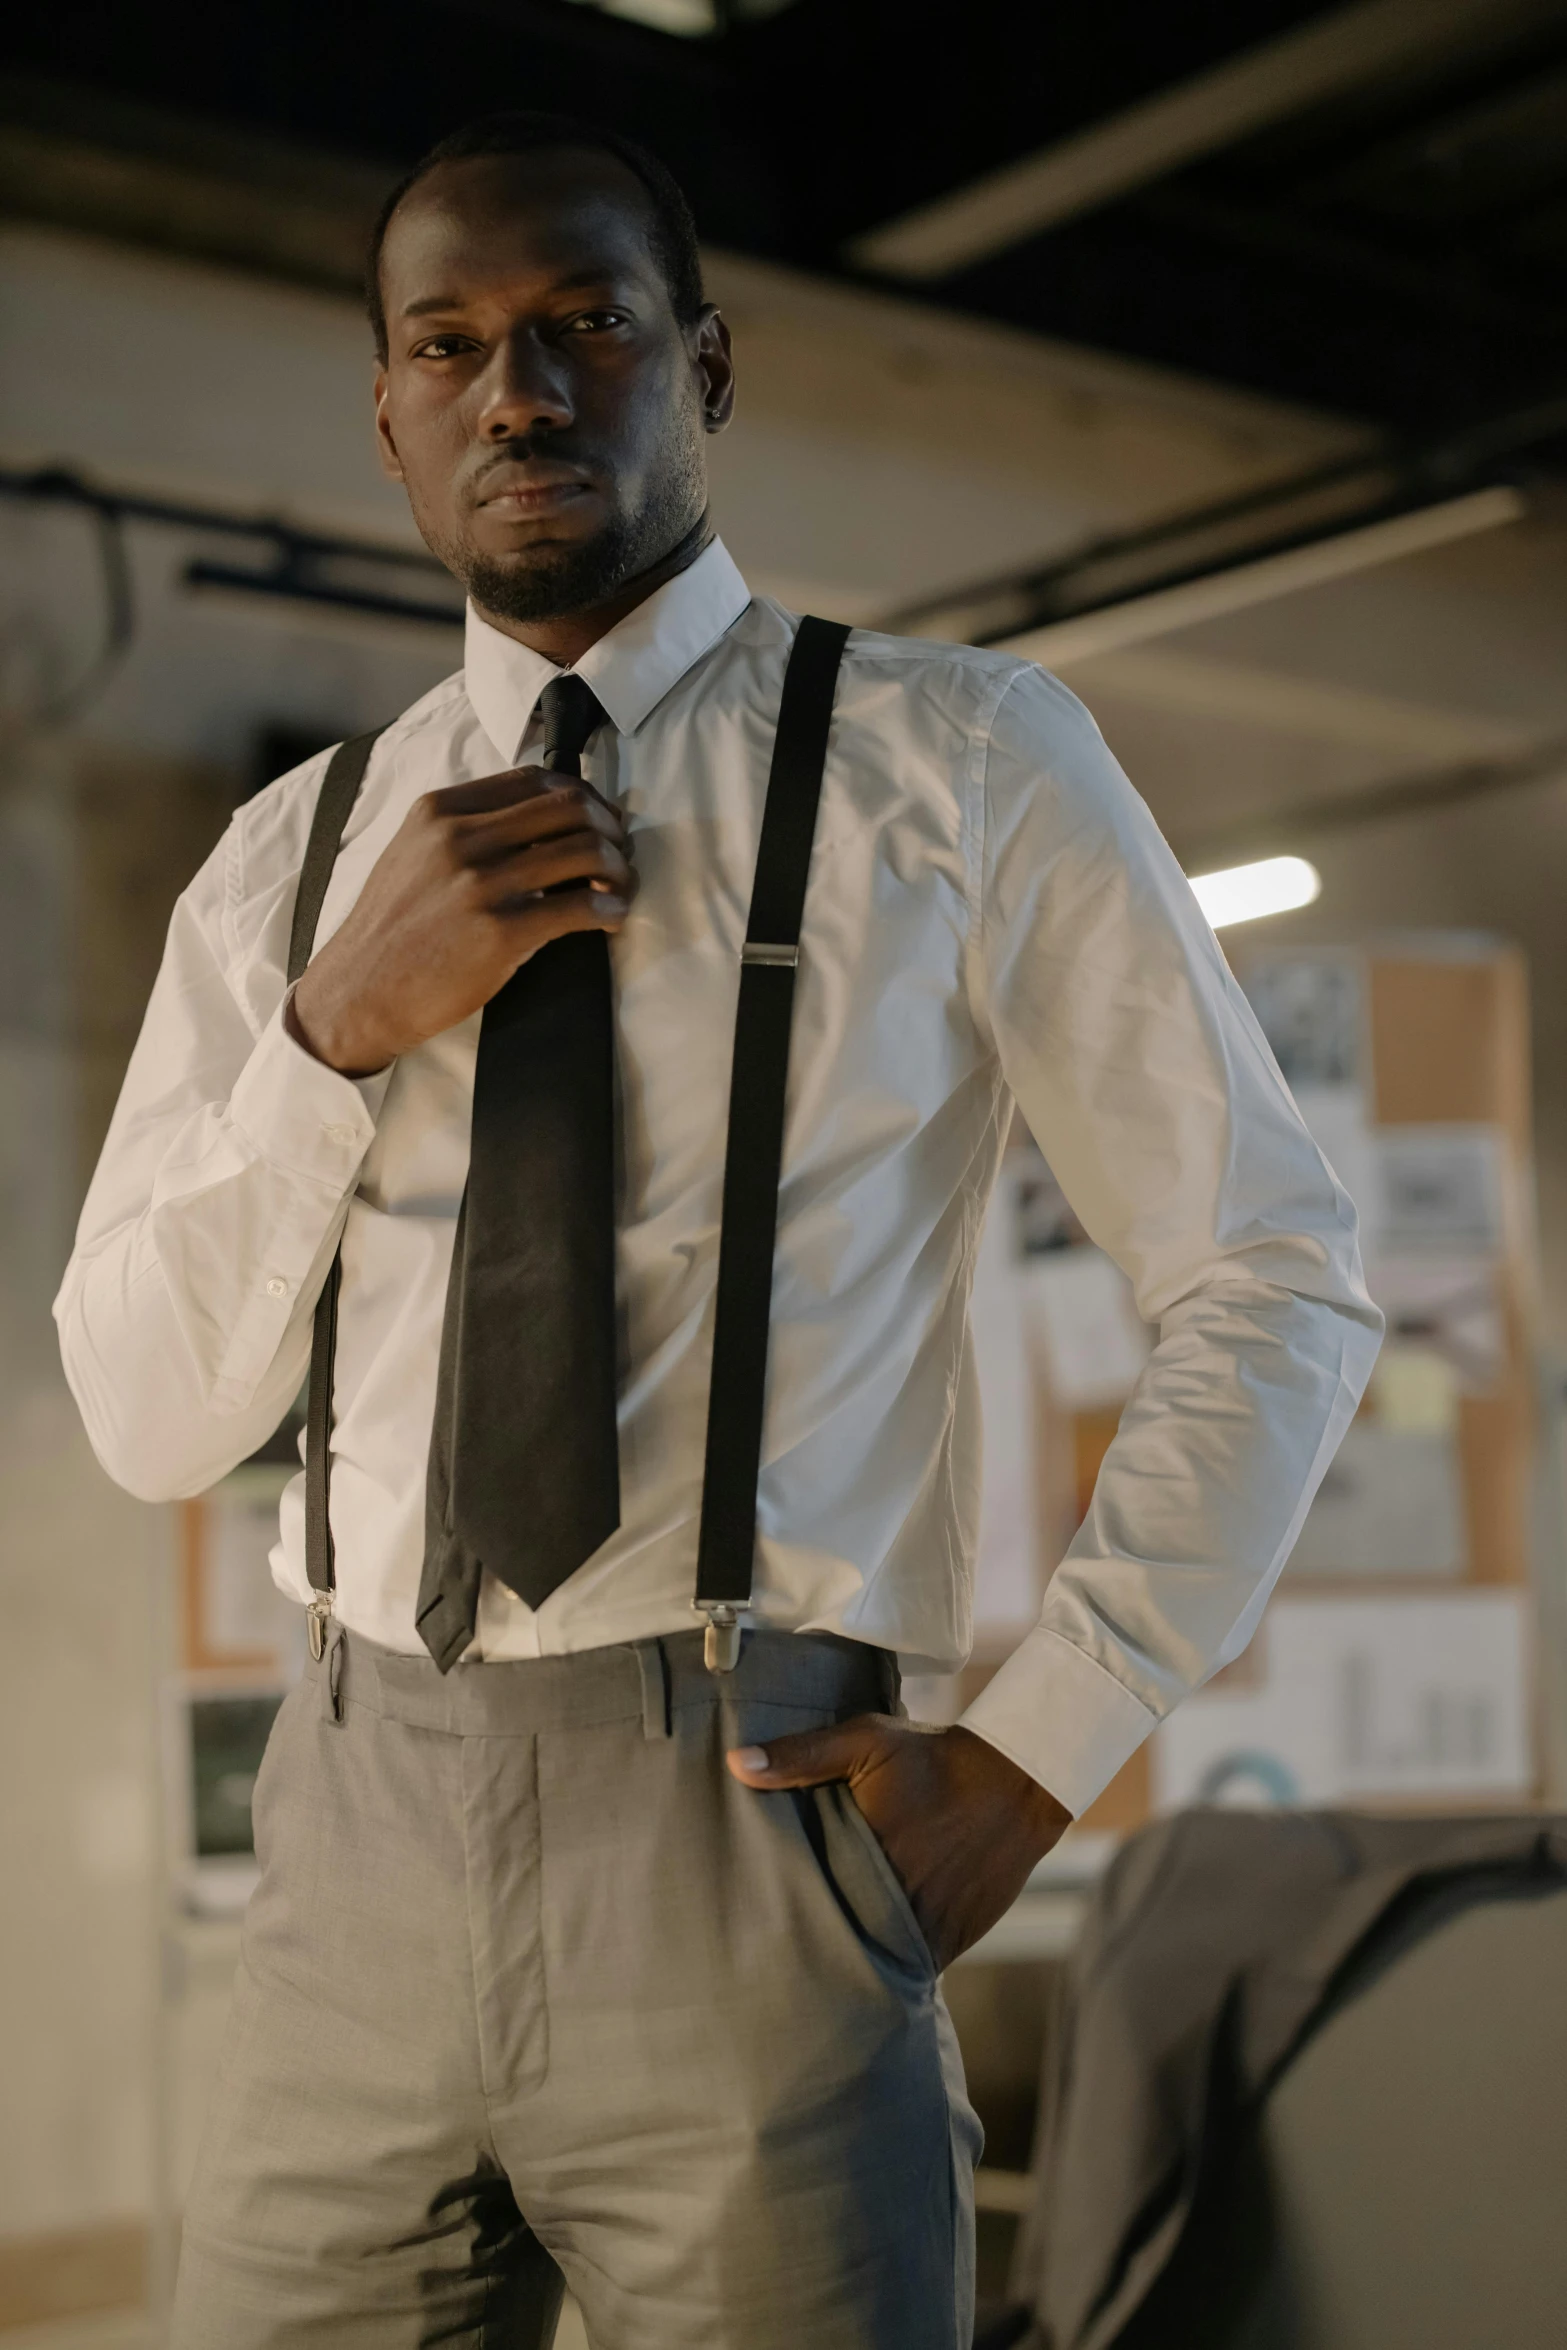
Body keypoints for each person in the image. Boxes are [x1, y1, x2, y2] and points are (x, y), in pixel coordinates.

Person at [55, 110, 1380, 2350]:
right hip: (355, 1829)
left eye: (588, 324)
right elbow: (145, 1411)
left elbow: (1275, 1275)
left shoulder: (960, 758)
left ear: (709, 364)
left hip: (755, 1820)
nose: (520, 390)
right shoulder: (293, 856)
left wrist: (1047, 1742)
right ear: (384, 410)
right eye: (451, 343)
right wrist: (332, 1031)